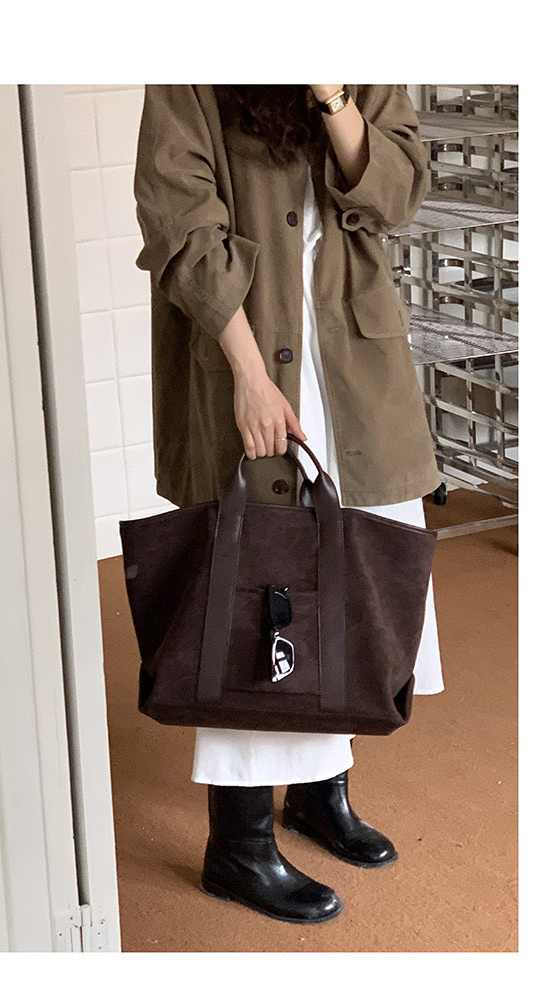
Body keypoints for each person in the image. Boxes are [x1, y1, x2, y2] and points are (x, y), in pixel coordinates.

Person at [133, 84, 444, 925]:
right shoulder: (190, 66)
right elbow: (178, 221)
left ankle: (316, 790)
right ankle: (237, 843)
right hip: (247, 352)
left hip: (351, 363)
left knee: (351, 576)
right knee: (257, 591)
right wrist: (247, 374)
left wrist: (332, 91)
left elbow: (398, 195)